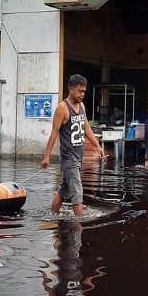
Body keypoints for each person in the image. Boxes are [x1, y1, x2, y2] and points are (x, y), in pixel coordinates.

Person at [42, 74, 106, 217]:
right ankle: (79, 224)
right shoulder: (62, 108)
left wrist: (97, 146)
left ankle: (52, 214)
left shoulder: (81, 106)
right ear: (71, 89)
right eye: (80, 91)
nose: (82, 94)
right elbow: (54, 133)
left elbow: (86, 128)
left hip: (78, 156)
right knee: (77, 191)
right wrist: (47, 156)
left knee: (64, 189)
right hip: (68, 157)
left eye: (84, 91)